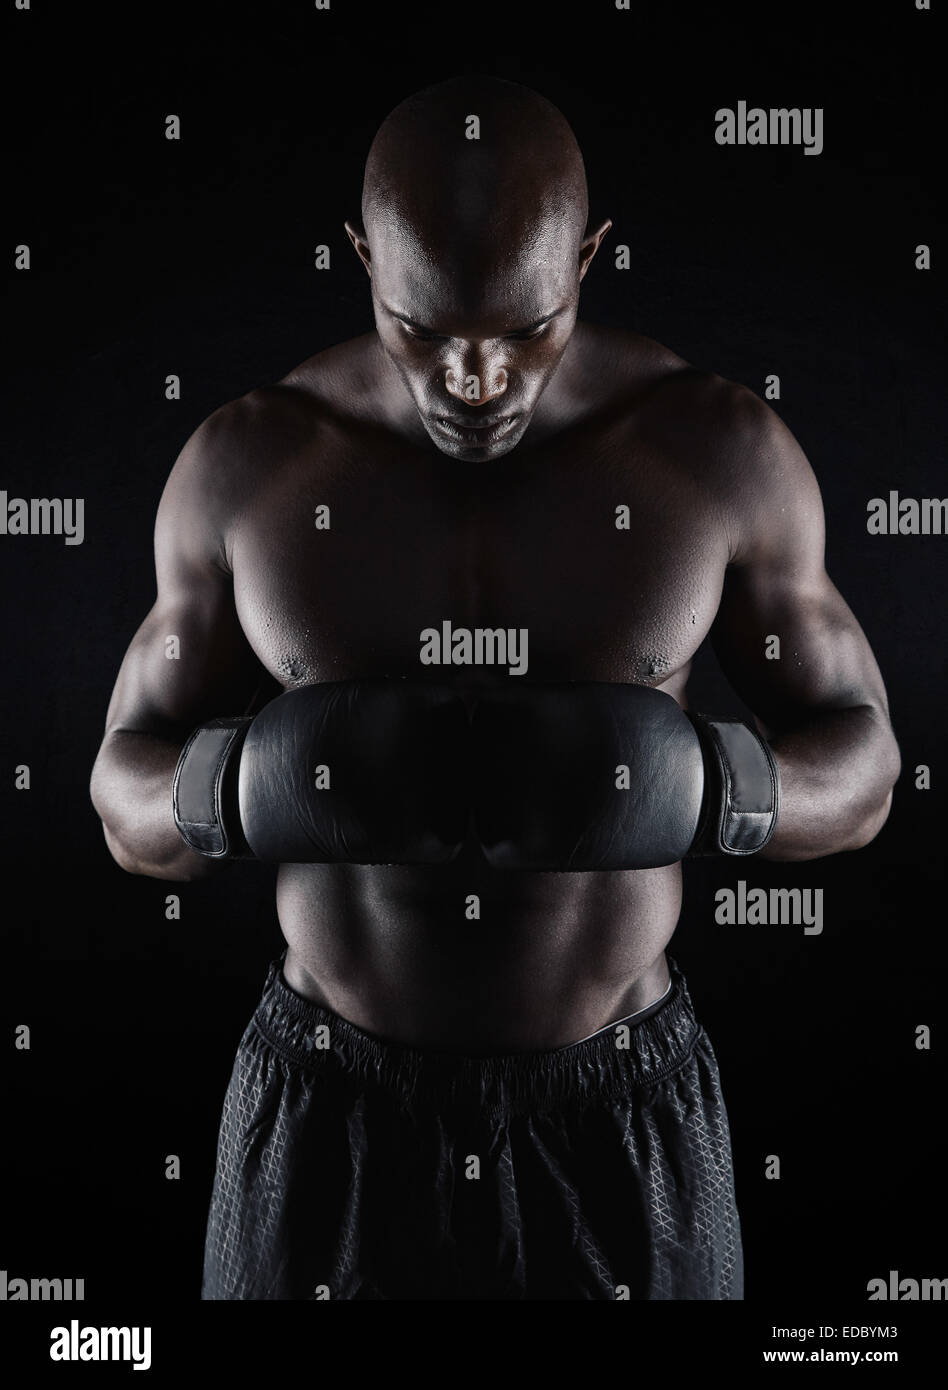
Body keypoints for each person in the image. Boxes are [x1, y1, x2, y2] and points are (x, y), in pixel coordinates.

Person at [89, 76, 900, 1300]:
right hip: (328, 1109)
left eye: (525, 326)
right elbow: (117, 790)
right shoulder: (249, 466)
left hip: (621, 1109)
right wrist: (246, 786)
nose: (474, 377)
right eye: (423, 326)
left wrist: (711, 785)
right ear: (360, 257)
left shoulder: (713, 450)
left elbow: (870, 764)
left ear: (591, 257)